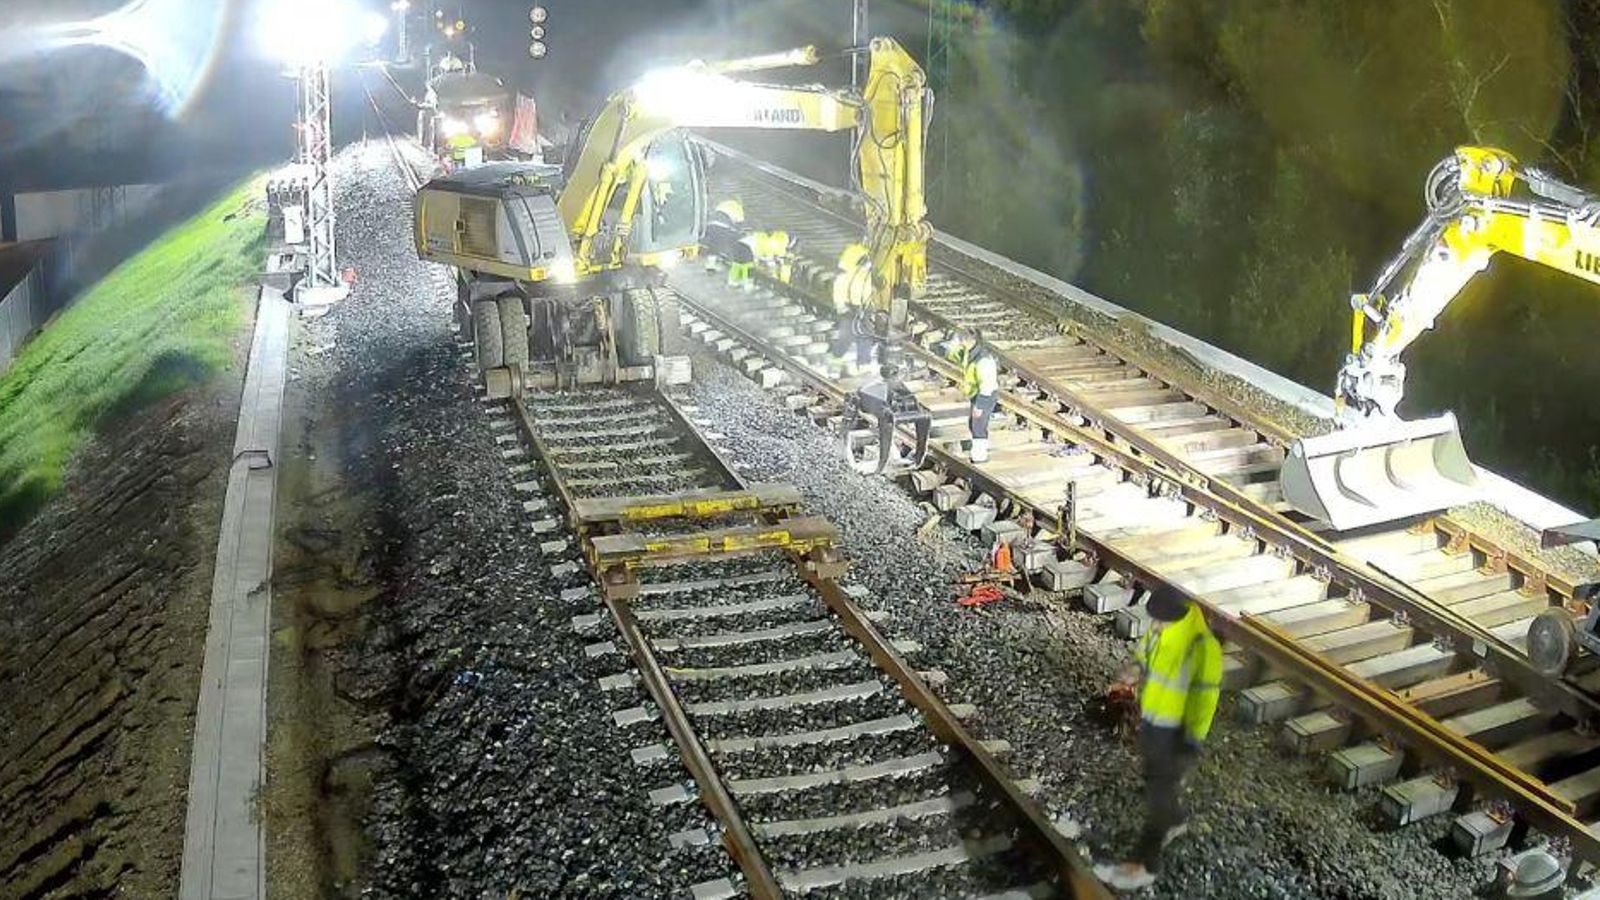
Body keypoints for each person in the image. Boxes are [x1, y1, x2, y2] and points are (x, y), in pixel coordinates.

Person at [1095, 584, 1222, 891]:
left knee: (1157, 797)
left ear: (1177, 618)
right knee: (1156, 782)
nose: (1153, 625)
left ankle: (1146, 866)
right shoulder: (1158, 631)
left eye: (1159, 620)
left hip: (1178, 733)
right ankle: (1176, 820)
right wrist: (1132, 673)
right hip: (1153, 721)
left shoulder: (1202, 648)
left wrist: (1191, 740)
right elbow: (1143, 658)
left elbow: (1205, 702)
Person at [943, 329, 999, 463]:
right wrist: (950, 346)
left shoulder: (983, 360)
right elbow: (952, 355)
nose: (960, 343)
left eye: (961, 340)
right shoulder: (970, 353)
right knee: (974, 423)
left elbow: (987, 385)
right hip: (976, 394)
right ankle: (980, 449)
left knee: (978, 424)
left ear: (968, 340)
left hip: (985, 395)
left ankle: (980, 456)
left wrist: (979, 405)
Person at [702, 198, 746, 273]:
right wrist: (741, 234)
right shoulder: (738, 209)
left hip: (711, 224)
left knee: (713, 245)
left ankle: (710, 264)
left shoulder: (724, 203)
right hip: (723, 227)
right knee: (729, 244)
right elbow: (739, 225)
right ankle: (730, 262)